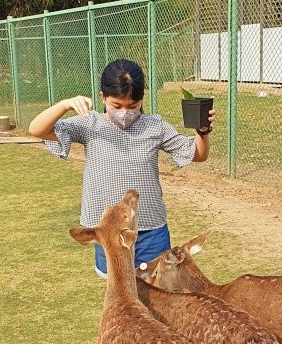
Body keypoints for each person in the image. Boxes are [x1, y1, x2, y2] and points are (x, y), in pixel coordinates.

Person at [28, 59, 215, 278]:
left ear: (141, 100)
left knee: (157, 290)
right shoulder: (90, 125)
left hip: (150, 228)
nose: (124, 112)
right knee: (119, 293)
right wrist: (65, 105)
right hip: (109, 231)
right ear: (102, 97)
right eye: (117, 106)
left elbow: (198, 155)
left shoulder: (155, 126)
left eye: (132, 106)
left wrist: (202, 132)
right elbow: (37, 129)